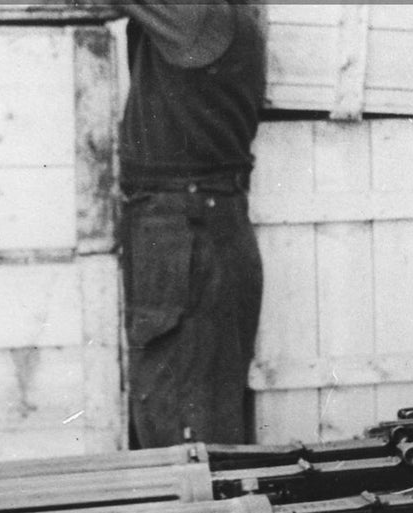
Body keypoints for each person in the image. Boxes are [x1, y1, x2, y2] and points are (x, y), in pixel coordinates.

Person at [101, 1, 266, 448]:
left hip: (185, 236)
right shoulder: (227, 14)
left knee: (179, 429)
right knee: (193, 417)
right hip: (199, 227)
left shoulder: (198, 13)